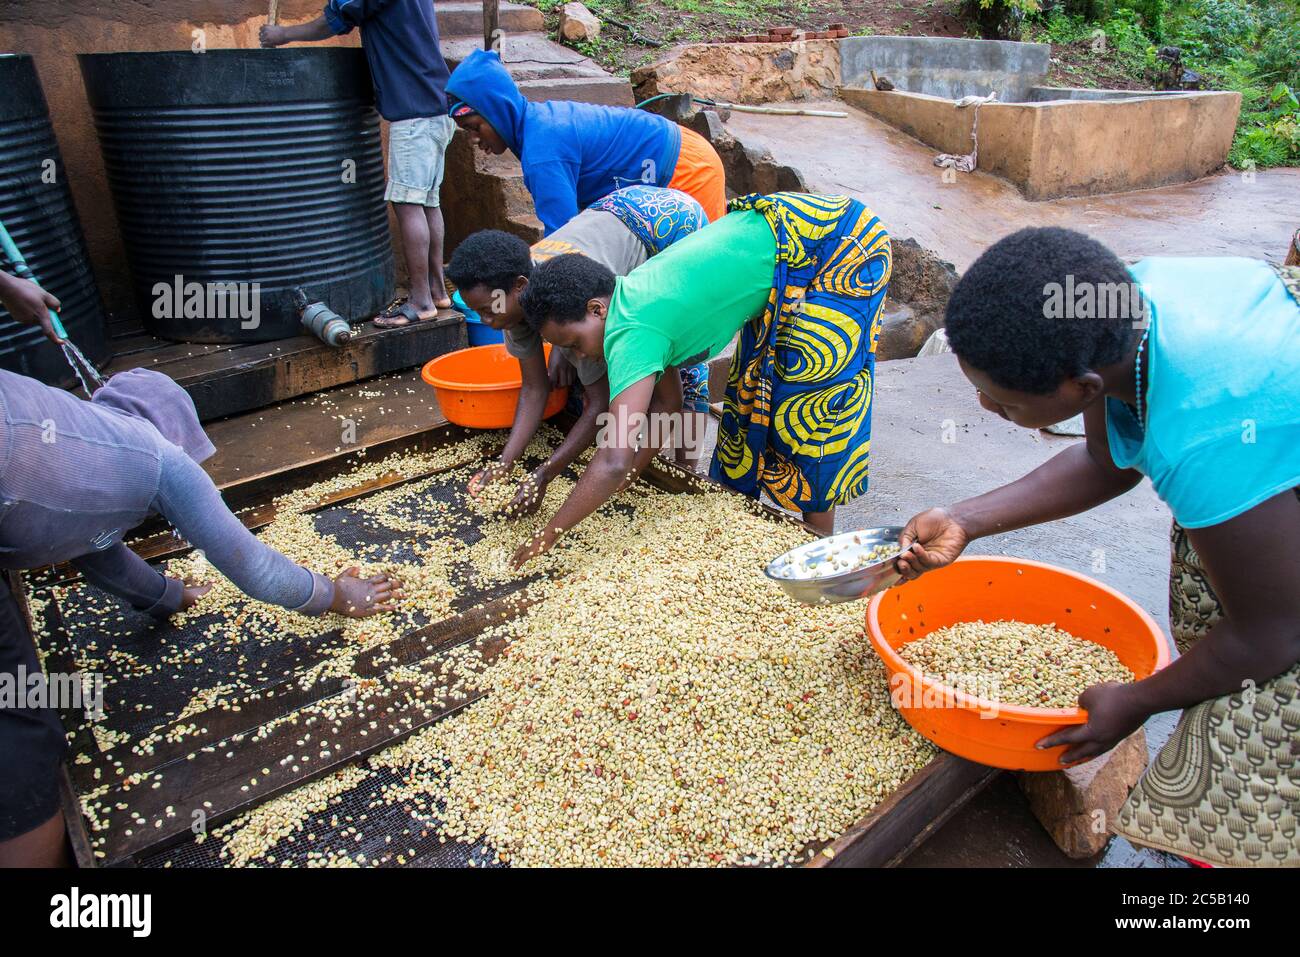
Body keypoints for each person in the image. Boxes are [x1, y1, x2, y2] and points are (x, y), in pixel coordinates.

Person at [893, 227, 1300, 868]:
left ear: (1081, 388)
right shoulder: (1106, 307)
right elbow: (1106, 459)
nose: (984, 407)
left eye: (1001, 402)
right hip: (1254, 431)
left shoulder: (1204, 432)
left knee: (1257, 755)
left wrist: (1134, 702)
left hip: (1259, 443)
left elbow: (1274, 632)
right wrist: (964, 519)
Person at [0, 273, 401, 867]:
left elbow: (93, 543)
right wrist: (336, 595)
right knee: (19, 738)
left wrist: (165, 596)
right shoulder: (160, 460)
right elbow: (251, 565)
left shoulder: (84, 443)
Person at [513, 191, 892, 567]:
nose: (579, 357)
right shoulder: (631, 299)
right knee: (750, 391)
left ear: (597, 309)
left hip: (836, 245)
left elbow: (613, 457)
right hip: (786, 243)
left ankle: (820, 554)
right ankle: (740, 525)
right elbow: (667, 404)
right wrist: (631, 473)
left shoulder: (632, 334)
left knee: (808, 402)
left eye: (574, 344)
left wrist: (548, 536)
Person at [446, 186, 712, 508]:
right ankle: (646, 461)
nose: (486, 320)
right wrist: (506, 463)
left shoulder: (570, 314)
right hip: (611, 214)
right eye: (478, 313)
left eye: (490, 308)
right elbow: (534, 388)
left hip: (666, 223)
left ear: (520, 286)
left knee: (680, 356)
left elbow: (598, 402)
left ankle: (686, 477)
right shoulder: (510, 307)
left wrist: (546, 472)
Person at [261, 0, 456, 327]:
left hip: (413, 114)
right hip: (437, 106)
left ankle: (421, 300)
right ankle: (436, 292)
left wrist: (282, 34)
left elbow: (335, 19)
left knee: (407, 203)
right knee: (427, 202)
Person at [445, 49, 727, 233]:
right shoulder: (537, 128)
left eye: (474, 127)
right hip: (678, 158)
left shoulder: (542, 150)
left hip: (685, 168)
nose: (472, 139)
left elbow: (564, 239)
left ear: (497, 109)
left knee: (700, 276)